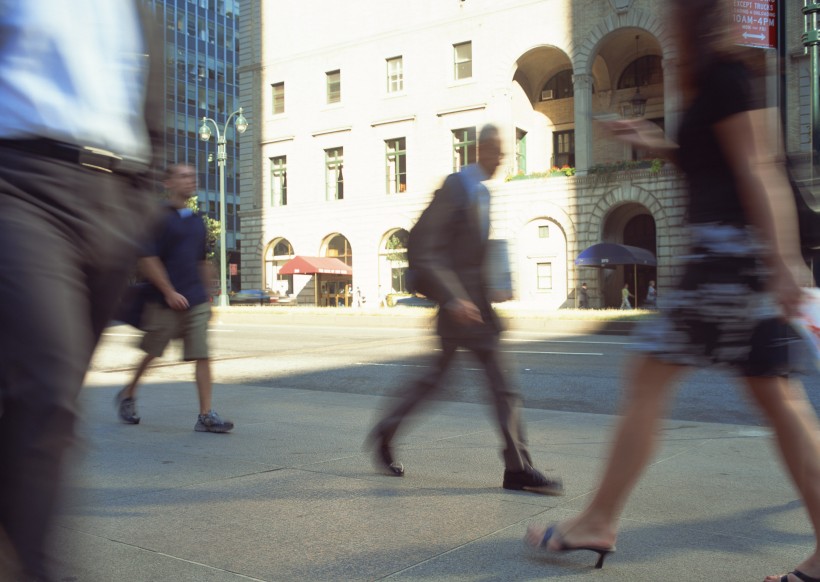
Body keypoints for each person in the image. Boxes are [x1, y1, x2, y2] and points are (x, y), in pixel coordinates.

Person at [525, 2, 820, 581]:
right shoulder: (721, 76)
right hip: (734, 262)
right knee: (778, 402)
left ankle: (598, 520)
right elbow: (717, 164)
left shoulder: (727, 76)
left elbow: (759, 166)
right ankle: (599, 518)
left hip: (723, 262)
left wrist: (786, 261)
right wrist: (652, 141)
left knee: (653, 381)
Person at [0, 2, 165, 579]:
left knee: (39, 404)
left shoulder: (139, 8)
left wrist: (142, 196)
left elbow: (152, 110)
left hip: (113, 201)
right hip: (20, 183)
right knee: (47, 393)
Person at [367, 125, 563, 495]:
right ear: (481, 148)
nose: (503, 160)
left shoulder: (482, 193)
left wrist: (492, 286)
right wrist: (454, 296)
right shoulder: (456, 186)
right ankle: (517, 468)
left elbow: (468, 252)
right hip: (458, 311)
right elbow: (424, 245)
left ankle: (516, 467)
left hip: (476, 310)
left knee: (478, 385)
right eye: (499, 152)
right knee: (477, 385)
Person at [116, 164, 234, 434]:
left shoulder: (196, 220)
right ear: (168, 182)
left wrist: (209, 296)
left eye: (193, 175)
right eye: (183, 176)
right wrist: (168, 291)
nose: (190, 179)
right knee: (152, 352)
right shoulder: (157, 217)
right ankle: (128, 394)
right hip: (163, 300)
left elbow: (202, 262)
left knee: (202, 354)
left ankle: (205, 415)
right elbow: (147, 258)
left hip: (195, 299)